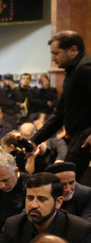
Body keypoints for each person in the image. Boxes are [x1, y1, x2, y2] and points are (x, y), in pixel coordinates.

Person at [0, 172, 91, 243]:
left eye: (42, 199)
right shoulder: (13, 225)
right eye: (30, 198)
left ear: (58, 202)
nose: (33, 205)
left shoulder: (80, 231)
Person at [30, 31, 91, 177]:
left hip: (85, 135)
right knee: (66, 179)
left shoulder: (85, 68)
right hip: (79, 136)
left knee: (65, 179)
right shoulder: (72, 72)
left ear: (73, 50)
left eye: (56, 53)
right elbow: (60, 114)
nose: (53, 58)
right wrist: (34, 141)